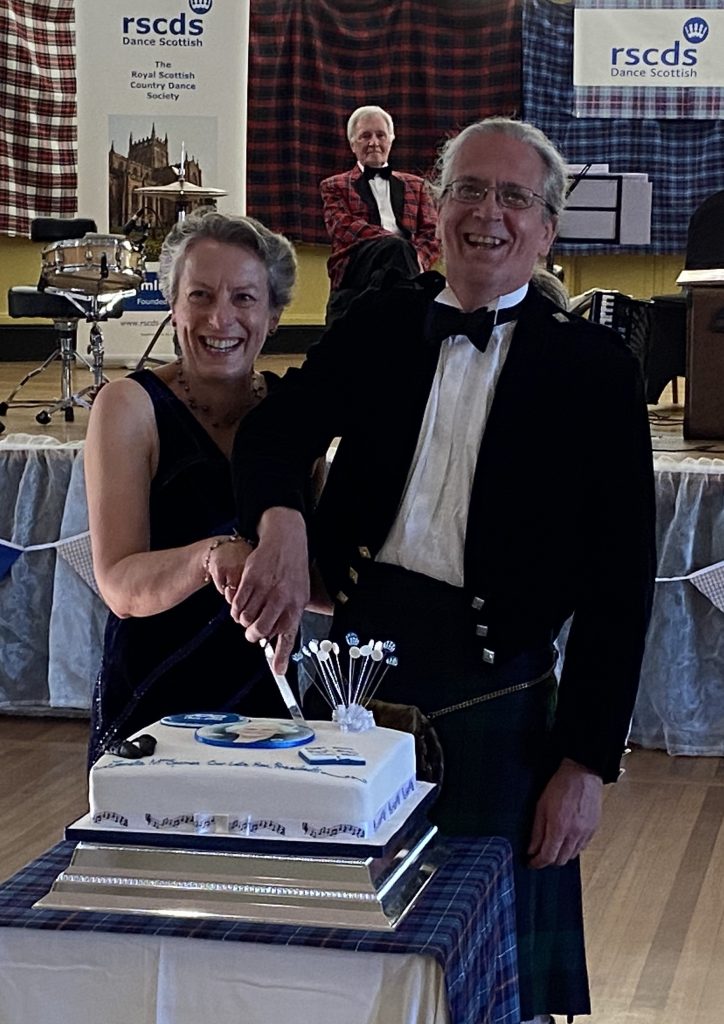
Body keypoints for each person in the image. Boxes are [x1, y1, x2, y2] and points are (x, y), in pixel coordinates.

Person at [229, 117, 656, 1024]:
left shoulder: (594, 368)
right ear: (435, 205)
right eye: (469, 189)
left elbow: (623, 588)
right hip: (364, 681)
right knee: (356, 946)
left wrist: (584, 763)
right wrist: (281, 524)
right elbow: (272, 434)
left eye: (515, 198)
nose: (488, 215)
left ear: (546, 230)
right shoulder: (380, 325)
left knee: (494, 965)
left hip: (500, 692)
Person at [84, 209, 298, 766]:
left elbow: (316, 577)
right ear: (173, 306)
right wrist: (212, 557)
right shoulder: (129, 406)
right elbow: (119, 585)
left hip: (273, 706)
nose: (219, 318)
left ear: (274, 314)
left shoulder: (291, 412)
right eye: (200, 295)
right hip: (155, 702)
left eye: (245, 298)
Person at [320, 104, 440, 322]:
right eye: (365, 136)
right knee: (397, 248)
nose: (374, 143)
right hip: (357, 263)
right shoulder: (334, 185)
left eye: (380, 135)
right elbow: (343, 229)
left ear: (391, 140)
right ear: (352, 144)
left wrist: (418, 257)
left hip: (405, 264)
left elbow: (432, 233)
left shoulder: (417, 185)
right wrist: (398, 244)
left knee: (392, 269)